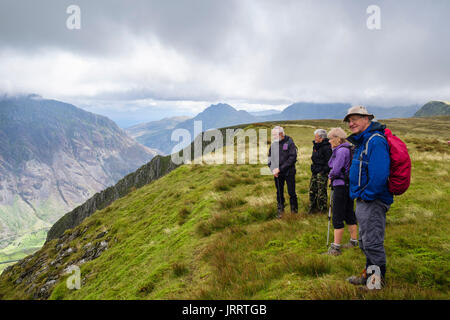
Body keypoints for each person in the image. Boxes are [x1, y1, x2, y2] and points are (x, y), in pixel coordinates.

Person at [343, 106, 393, 289]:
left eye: (355, 118)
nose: (351, 123)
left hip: (372, 200)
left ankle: (376, 283)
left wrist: (367, 195)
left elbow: (380, 175)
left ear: (367, 119)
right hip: (364, 200)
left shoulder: (375, 141)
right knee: (365, 241)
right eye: (349, 120)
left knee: (372, 242)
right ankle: (369, 275)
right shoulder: (363, 141)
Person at [325, 127, 358, 256]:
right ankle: (353, 241)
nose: (329, 141)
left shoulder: (341, 151)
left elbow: (337, 169)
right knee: (349, 212)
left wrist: (330, 177)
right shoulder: (348, 148)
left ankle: (336, 248)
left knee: (337, 215)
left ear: (337, 138)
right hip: (348, 185)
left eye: (330, 138)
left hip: (340, 185)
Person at [268, 126, 298, 218]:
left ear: (281, 134)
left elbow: (292, 158)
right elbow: (269, 158)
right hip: (277, 174)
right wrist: (273, 169)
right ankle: (281, 211)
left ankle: (294, 211)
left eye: (275, 135)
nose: (273, 137)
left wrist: (280, 168)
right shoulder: (273, 145)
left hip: (289, 172)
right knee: (279, 192)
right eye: (272, 135)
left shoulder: (290, 143)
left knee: (291, 192)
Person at [308, 129, 332, 214]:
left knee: (321, 191)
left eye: (316, 137)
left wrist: (322, 171)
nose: (314, 138)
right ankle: (312, 208)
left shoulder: (327, 147)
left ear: (321, 138)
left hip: (322, 173)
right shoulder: (315, 146)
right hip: (314, 171)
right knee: (312, 190)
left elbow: (329, 162)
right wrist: (313, 168)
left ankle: (322, 210)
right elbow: (314, 158)